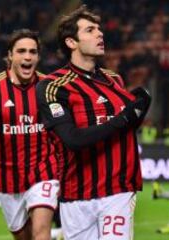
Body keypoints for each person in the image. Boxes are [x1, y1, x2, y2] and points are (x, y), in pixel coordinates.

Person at [36, 5, 151, 240]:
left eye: (99, 29)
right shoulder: (52, 86)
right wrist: (124, 118)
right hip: (75, 193)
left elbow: (126, 129)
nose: (100, 33)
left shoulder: (114, 80)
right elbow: (72, 140)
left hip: (118, 190)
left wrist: (138, 112)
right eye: (90, 30)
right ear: (71, 42)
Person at [0, 29, 59, 240]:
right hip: (7, 179)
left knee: (41, 232)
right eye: (21, 51)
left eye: (33, 52)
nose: (27, 56)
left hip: (44, 172)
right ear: (10, 56)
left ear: (38, 57)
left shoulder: (50, 88)